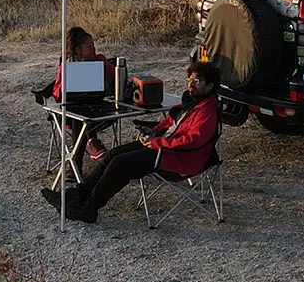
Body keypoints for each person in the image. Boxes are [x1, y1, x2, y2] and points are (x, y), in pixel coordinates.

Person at [43, 60, 222, 224]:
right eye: (189, 80)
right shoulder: (191, 103)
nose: (190, 85)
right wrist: (153, 131)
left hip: (179, 158)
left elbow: (192, 140)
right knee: (114, 153)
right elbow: (170, 124)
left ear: (210, 86)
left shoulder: (207, 111)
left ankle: (90, 207)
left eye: (196, 82)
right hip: (164, 146)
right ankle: (77, 195)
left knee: (122, 163)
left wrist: (158, 143)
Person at [37, 26, 110, 159]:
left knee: (83, 112)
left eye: (93, 46)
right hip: (68, 113)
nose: (94, 49)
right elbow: (58, 94)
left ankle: (75, 167)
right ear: (78, 50)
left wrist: (102, 64)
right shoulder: (67, 66)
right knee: (79, 113)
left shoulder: (99, 61)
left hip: (96, 110)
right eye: (89, 47)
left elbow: (111, 82)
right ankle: (92, 142)